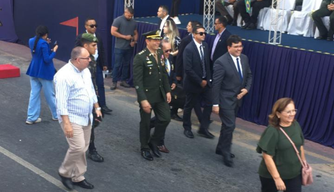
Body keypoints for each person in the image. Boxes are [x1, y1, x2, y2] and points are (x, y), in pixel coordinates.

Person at [54, 47, 102, 190]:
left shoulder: (85, 71)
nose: (89, 60)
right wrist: (66, 123)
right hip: (71, 117)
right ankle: (64, 173)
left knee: (83, 147)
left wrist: (97, 107)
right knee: (78, 146)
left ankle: (78, 176)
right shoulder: (63, 76)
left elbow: (91, 90)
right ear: (76, 60)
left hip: (86, 116)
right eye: (87, 58)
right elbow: (61, 102)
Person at [212, 35, 252, 167]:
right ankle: (226, 152)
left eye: (240, 46)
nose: (239, 49)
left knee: (227, 126)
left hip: (237, 99)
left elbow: (249, 75)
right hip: (225, 100)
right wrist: (215, 104)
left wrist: (246, 89)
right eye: (236, 47)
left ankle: (220, 147)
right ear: (229, 47)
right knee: (230, 125)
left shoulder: (244, 58)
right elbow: (216, 85)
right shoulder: (221, 62)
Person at [133, 30, 171, 161]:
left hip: (160, 94)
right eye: (154, 40)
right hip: (148, 95)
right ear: (147, 41)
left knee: (165, 118)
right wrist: (143, 100)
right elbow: (137, 81)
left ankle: (153, 142)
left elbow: (163, 74)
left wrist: (167, 91)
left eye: (158, 40)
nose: (157, 42)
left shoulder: (160, 53)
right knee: (146, 122)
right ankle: (144, 147)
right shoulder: (140, 57)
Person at [257, 98, 306, 192]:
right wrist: (277, 178)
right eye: (288, 112)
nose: (292, 114)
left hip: (294, 174)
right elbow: (267, 156)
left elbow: (300, 145)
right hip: (272, 176)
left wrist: (303, 162)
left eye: (293, 110)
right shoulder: (272, 131)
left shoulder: (296, 125)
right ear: (278, 114)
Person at [75, 33, 105, 163]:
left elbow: (92, 82)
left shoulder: (91, 59)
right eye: (93, 45)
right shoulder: (79, 61)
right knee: (89, 123)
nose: (96, 47)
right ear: (85, 46)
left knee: (94, 121)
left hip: (91, 95)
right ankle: (91, 149)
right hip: (81, 98)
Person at [183, 25, 214, 139]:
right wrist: (200, 81)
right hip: (193, 83)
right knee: (189, 105)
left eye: (204, 33)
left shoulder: (205, 46)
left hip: (206, 82)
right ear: (194, 35)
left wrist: (208, 80)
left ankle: (203, 128)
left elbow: (207, 64)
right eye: (201, 33)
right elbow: (188, 69)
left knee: (209, 103)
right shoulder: (189, 49)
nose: (203, 35)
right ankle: (187, 128)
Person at [26, 25, 58, 125]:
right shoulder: (43, 43)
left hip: (33, 70)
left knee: (34, 94)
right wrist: (54, 51)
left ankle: (31, 117)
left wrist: (47, 45)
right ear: (45, 34)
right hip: (44, 71)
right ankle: (56, 115)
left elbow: (39, 51)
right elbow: (47, 59)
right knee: (50, 95)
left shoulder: (31, 41)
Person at [84, 18, 112, 114]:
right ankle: (89, 106)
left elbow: (102, 50)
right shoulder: (81, 38)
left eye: (95, 25)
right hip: (86, 67)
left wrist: (104, 64)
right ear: (86, 27)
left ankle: (102, 105)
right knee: (88, 86)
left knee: (100, 85)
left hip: (98, 65)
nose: (94, 27)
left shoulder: (98, 36)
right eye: (92, 26)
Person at [110, 6, 138, 90]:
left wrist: (134, 41)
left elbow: (136, 33)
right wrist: (125, 37)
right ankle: (114, 82)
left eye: (131, 16)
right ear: (125, 12)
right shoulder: (118, 20)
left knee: (126, 64)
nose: (130, 17)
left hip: (129, 47)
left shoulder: (133, 22)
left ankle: (123, 80)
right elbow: (113, 32)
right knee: (117, 65)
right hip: (119, 47)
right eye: (129, 15)